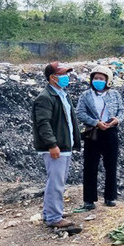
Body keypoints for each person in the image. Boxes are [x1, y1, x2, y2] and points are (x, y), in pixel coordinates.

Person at [32, 61, 81, 229]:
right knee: (56, 182)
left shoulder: (62, 94)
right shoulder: (45, 97)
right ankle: (54, 217)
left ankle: (50, 212)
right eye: (62, 74)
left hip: (64, 145)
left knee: (56, 181)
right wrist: (52, 144)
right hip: (55, 147)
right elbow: (43, 123)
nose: (66, 77)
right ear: (52, 78)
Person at [75, 64, 124, 211]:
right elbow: (80, 113)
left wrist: (117, 120)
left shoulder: (115, 94)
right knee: (90, 166)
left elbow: (121, 110)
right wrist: (95, 122)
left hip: (110, 132)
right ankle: (89, 200)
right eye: (95, 78)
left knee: (111, 165)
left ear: (108, 80)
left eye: (101, 78)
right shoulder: (86, 95)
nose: (98, 81)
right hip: (93, 133)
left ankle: (110, 197)